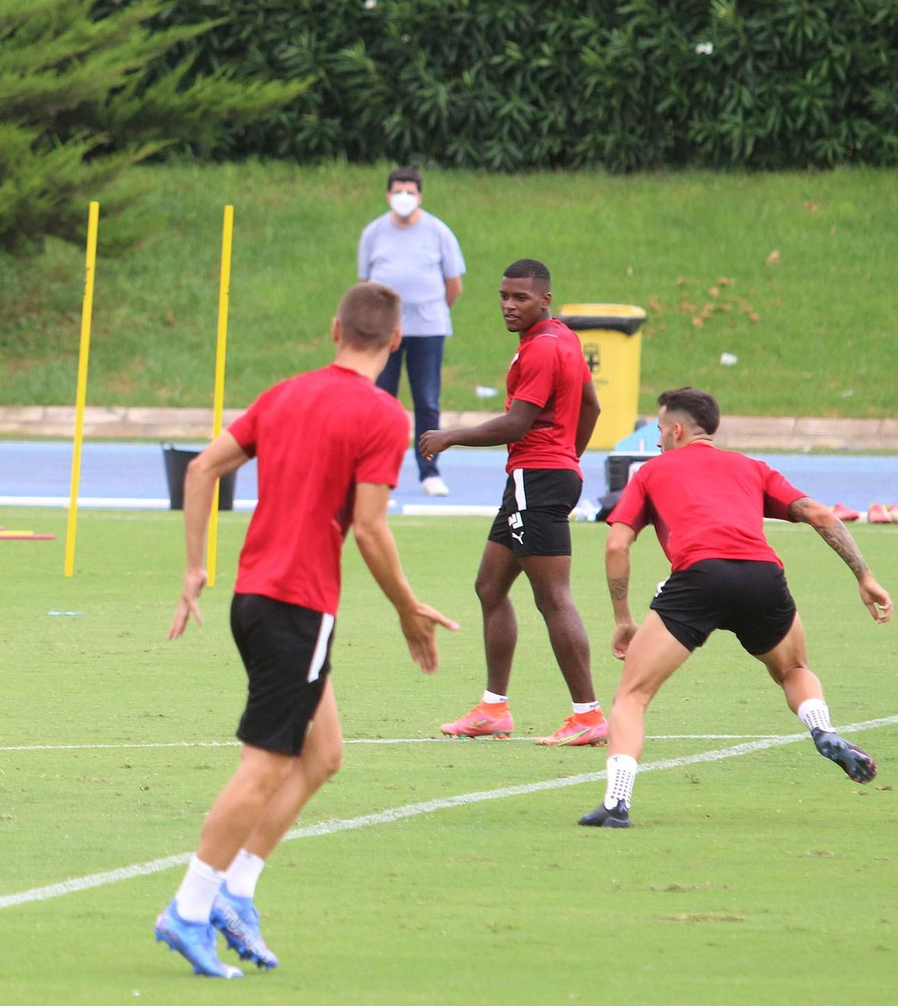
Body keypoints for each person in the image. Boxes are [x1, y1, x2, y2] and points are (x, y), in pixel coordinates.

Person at [155, 282, 458, 978]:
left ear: (333, 330)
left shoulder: (285, 393)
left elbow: (202, 468)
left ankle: (237, 892)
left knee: (322, 755)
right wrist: (408, 607)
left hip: (254, 599)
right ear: (396, 344)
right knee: (265, 766)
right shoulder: (383, 416)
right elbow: (371, 528)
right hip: (297, 604)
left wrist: (196, 568)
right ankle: (189, 908)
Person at [582, 387, 891, 827]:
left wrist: (622, 619)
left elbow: (617, 543)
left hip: (699, 580)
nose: (655, 442)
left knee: (632, 695)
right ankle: (823, 729)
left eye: (658, 431)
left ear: (676, 429)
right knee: (794, 670)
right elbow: (820, 514)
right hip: (762, 577)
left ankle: (616, 803)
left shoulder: (652, 472)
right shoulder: (751, 467)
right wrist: (864, 575)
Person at [419, 258, 606, 746]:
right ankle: (493, 709)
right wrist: (568, 458)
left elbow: (516, 424)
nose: (508, 305)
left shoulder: (542, 350)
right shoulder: (564, 337)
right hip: (540, 476)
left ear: (545, 299)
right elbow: (592, 406)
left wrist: (450, 436)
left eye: (520, 297)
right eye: (504, 295)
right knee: (490, 586)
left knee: (553, 597)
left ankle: (587, 716)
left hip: (537, 478)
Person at [357, 166, 466, 497]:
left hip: (428, 329)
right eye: (397, 191)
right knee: (381, 401)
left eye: (410, 192)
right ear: (388, 195)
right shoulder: (373, 233)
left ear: (420, 196)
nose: (403, 197)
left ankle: (429, 471)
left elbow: (454, 285)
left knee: (427, 400)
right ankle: (378, 471)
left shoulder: (438, 232)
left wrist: (431, 313)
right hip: (385, 332)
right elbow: (365, 284)